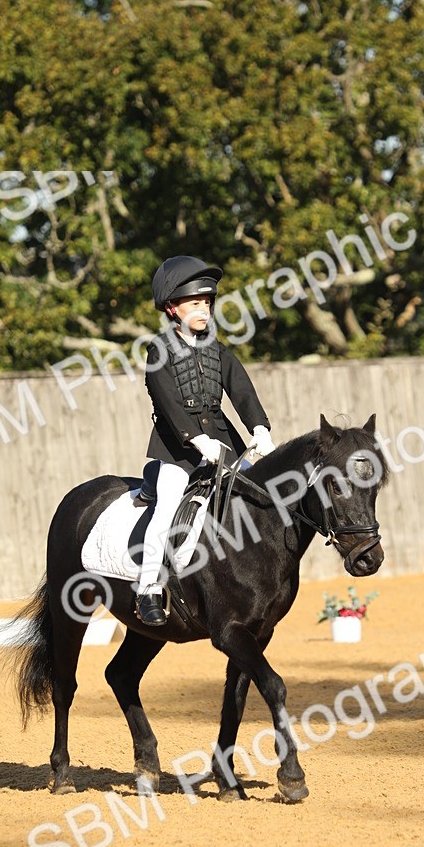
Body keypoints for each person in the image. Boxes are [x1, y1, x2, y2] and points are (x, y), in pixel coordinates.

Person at [136, 255, 276, 626]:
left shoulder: (217, 349)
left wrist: (259, 429)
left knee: (260, 496)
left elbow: (241, 390)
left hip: (223, 441)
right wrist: (197, 440)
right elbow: (167, 403)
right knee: (167, 506)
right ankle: (148, 587)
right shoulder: (158, 351)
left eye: (208, 302)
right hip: (177, 449)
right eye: (196, 303)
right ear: (172, 308)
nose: (205, 309)